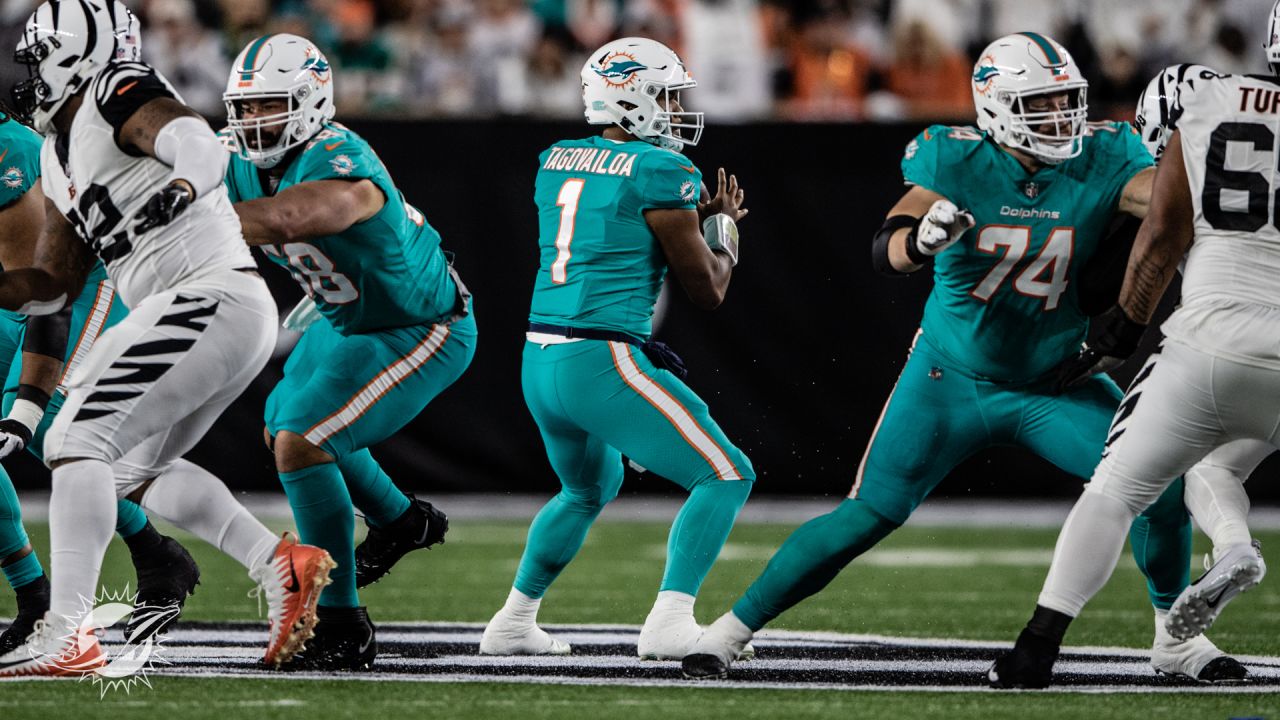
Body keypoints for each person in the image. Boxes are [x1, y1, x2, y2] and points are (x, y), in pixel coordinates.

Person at [683, 32, 1241, 683]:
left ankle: (1174, 638)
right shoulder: (952, 158)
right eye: (1042, 105)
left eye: (1068, 102)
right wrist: (919, 241)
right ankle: (730, 630)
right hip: (950, 377)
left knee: (1159, 491)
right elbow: (886, 248)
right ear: (997, 107)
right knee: (868, 514)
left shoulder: (1106, 154)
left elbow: (1176, 202)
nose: (1062, 119)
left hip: (1055, 382)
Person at [0, 0, 333, 677]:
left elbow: (197, 142)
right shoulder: (60, 156)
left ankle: (66, 634)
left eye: (38, 58)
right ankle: (279, 563)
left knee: (75, 442)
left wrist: (181, 185)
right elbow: (51, 288)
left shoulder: (112, 87)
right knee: (120, 472)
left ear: (73, 51)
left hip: (208, 293)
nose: (30, 75)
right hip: (206, 308)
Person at [990, 14, 1280, 683]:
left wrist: (1118, 332)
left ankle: (1037, 647)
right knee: (1213, 471)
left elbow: (1161, 235)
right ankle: (1230, 545)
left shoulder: (1211, 102)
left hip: (1207, 344)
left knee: (1116, 491)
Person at [479, 36, 755, 661]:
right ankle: (669, 622)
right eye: (666, 94)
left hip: (540, 358)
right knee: (727, 472)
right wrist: (724, 227)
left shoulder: (556, 157)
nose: (679, 106)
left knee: (585, 489)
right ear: (630, 98)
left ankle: (513, 621)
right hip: (600, 360)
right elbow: (708, 290)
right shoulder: (665, 172)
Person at [222, 33, 475, 670]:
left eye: (269, 106)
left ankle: (343, 624)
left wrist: (180, 212)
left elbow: (287, 219)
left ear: (310, 101)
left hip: (421, 326)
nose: (253, 122)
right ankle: (398, 521)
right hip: (345, 318)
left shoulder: (342, 158)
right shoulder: (235, 160)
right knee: (284, 425)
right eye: (245, 108)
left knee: (303, 441)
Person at [0, 6, 198, 654]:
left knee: (47, 432)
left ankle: (54, 605)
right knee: (40, 437)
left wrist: (25, 402)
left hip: (58, 286)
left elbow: (41, 281)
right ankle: (124, 562)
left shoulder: (14, 148)